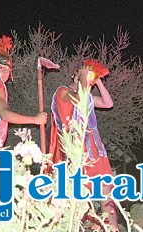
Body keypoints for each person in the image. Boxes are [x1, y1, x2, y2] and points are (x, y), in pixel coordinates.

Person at [48, 59, 118, 229]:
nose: (89, 80)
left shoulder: (86, 94)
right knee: (81, 196)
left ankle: (112, 228)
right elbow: (80, 98)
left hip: (95, 148)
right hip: (77, 151)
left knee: (107, 191)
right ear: (75, 75)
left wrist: (98, 79)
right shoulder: (63, 92)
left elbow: (108, 103)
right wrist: (83, 78)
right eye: (86, 74)